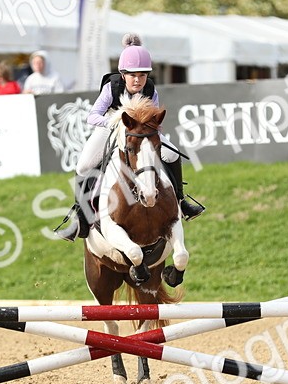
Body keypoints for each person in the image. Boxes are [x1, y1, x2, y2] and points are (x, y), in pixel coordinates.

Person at [54, 34, 205, 242]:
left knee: (172, 154)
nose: (138, 80)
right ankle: (80, 217)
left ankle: (181, 201)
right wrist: (114, 123)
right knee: (83, 166)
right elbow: (93, 116)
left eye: (142, 75)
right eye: (132, 75)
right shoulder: (112, 88)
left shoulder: (150, 89)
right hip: (111, 128)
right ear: (123, 74)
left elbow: (153, 119)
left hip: (140, 133)